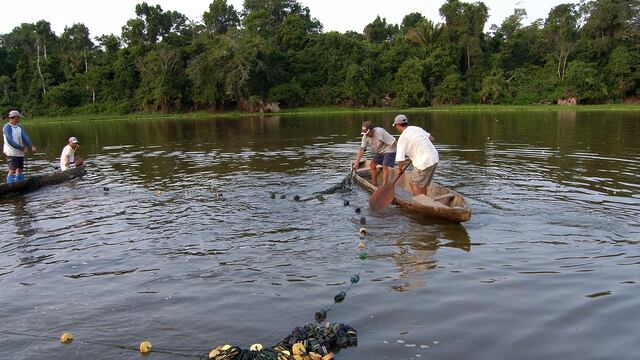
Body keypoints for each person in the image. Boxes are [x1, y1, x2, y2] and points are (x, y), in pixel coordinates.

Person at [393, 114, 438, 196]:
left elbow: (400, 159)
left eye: (395, 126)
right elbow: (432, 139)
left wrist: (400, 170)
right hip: (434, 158)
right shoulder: (416, 128)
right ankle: (425, 202)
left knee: (413, 183)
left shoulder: (402, 138)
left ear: (398, 125)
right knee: (422, 185)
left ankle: (419, 202)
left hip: (424, 162)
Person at [352, 121, 397, 186]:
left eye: (367, 133)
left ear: (371, 129)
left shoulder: (380, 132)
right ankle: (374, 184)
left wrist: (401, 154)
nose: (366, 134)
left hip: (389, 149)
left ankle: (384, 186)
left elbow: (394, 141)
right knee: (372, 165)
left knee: (385, 165)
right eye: (364, 133)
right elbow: (362, 149)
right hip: (380, 151)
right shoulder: (365, 137)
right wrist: (357, 162)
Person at [3, 110, 36, 183]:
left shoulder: (19, 127)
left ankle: (19, 185)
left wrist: (31, 146)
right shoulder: (7, 127)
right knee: (12, 170)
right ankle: (10, 187)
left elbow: (25, 137)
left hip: (20, 152)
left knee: (20, 169)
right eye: (19, 117)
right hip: (11, 152)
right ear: (15, 117)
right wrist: (22, 148)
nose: (19, 119)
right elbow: (10, 141)